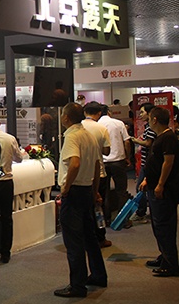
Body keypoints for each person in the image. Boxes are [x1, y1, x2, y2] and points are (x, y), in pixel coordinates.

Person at [54, 102, 107, 298]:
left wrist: (66, 188)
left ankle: (77, 285)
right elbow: (96, 166)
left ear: (66, 118)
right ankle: (99, 275)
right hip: (86, 191)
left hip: (74, 193)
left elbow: (74, 163)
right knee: (89, 237)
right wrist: (94, 191)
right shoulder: (89, 135)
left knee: (74, 241)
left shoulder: (72, 136)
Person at [139, 107, 179, 277]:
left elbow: (168, 163)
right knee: (158, 225)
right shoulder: (161, 136)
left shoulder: (168, 137)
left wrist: (160, 184)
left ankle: (170, 263)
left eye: (149, 117)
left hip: (164, 189)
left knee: (164, 226)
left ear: (155, 119)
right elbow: (157, 162)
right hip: (154, 186)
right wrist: (148, 180)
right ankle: (164, 256)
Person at [0, 111, 24, 264]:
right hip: (6, 182)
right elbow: (19, 159)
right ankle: (5, 253)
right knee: (7, 218)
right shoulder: (9, 138)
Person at [81, 102, 112, 248]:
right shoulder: (101, 128)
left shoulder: (77, 128)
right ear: (99, 113)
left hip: (81, 174)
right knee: (98, 207)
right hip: (98, 173)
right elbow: (107, 151)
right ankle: (100, 237)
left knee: (84, 208)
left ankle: (85, 238)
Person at [98, 105, 132, 227]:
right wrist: (127, 157)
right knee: (121, 191)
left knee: (104, 192)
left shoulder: (97, 125)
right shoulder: (118, 123)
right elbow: (127, 141)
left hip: (103, 162)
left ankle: (105, 219)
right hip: (118, 161)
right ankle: (123, 220)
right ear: (108, 112)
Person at [131, 102, 156, 222]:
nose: (140, 115)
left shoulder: (151, 128)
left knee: (141, 187)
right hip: (146, 162)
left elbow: (148, 143)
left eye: (142, 112)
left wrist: (136, 141)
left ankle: (142, 212)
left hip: (148, 163)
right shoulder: (148, 127)